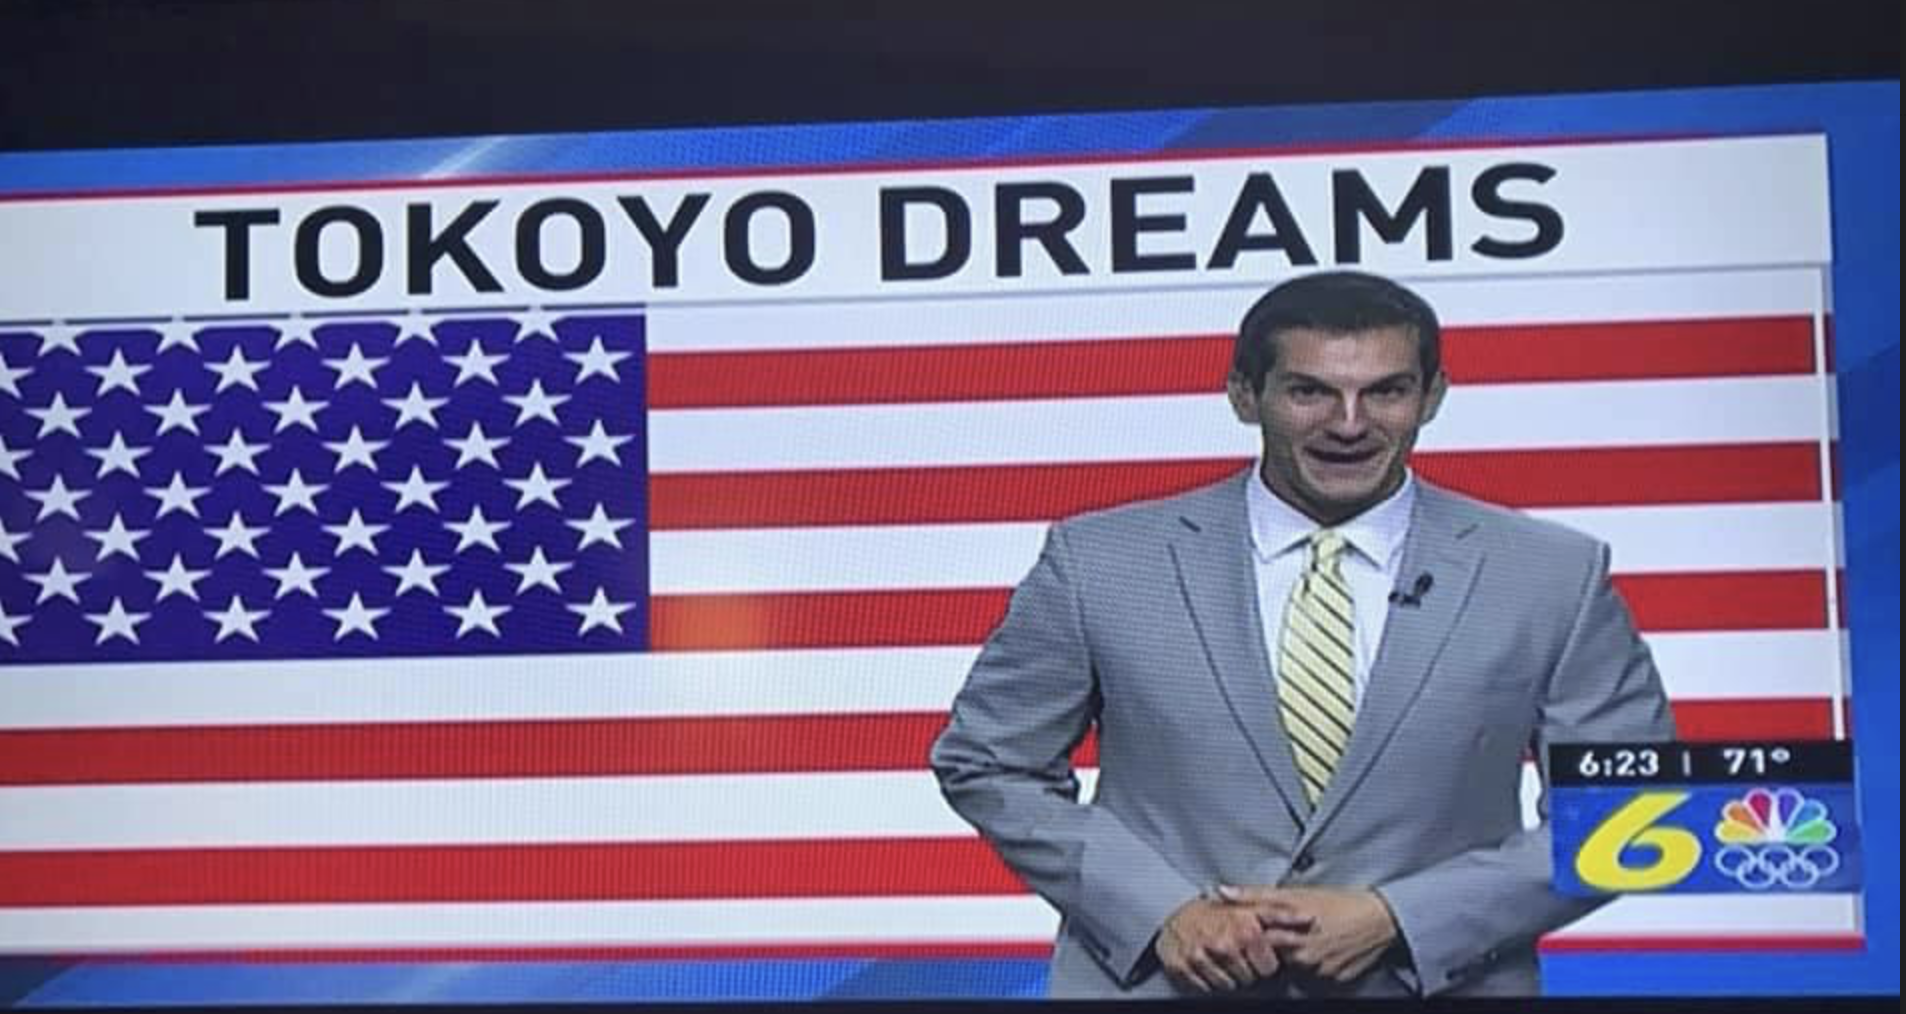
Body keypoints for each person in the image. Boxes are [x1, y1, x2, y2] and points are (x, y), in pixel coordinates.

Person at [930, 270, 1676, 998]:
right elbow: (989, 762)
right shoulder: (1100, 562)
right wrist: (1159, 913)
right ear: (1244, 395)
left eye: (1386, 391)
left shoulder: (1552, 574)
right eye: (1309, 392)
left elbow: (1638, 807)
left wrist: (1403, 920)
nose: (1349, 424)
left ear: (1433, 396)